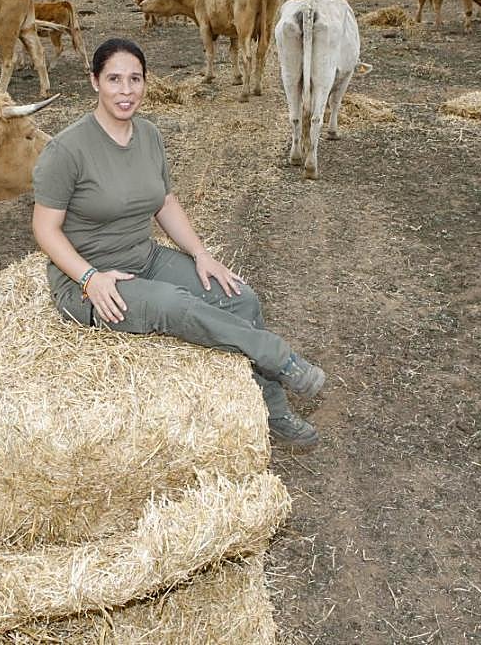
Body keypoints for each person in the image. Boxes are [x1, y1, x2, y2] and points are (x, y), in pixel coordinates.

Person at [31, 37, 326, 447]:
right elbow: (45, 229)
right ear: (94, 81)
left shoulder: (149, 135)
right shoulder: (67, 150)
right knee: (173, 304)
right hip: (90, 280)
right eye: (114, 79)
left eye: (135, 79)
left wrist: (202, 255)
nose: (126, 90)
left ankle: (273, 412)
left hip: (144, 256)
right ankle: (280, 358)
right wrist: (88, 278)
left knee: (240, 297)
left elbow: (165, 202)